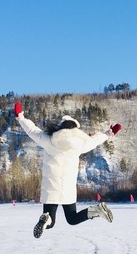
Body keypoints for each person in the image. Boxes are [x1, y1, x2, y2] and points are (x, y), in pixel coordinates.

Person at [14, 102, 121, 238]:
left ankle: (46, 219)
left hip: (50, 186)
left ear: (61, 126)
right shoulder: (81, 143)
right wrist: (108, 133)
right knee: (72, 218)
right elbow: (95, 140)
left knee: (51, 222)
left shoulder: (49, 140)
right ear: (75, 129)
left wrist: (21, 117)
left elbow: (32, 130)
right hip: (67, 188)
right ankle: (98, 210)